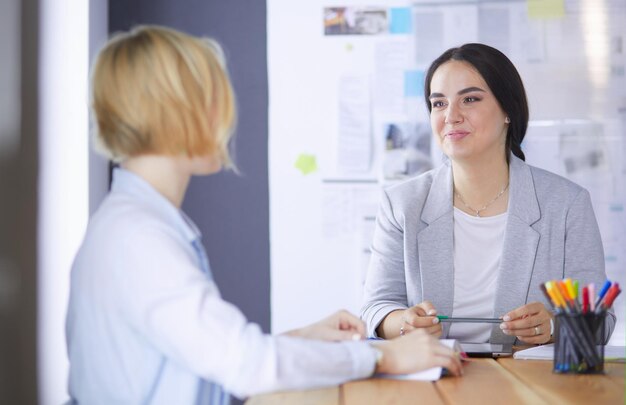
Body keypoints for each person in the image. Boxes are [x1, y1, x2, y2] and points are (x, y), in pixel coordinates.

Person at [65, 26, 463, 405]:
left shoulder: (131, 224)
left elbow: (208, 350)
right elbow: (243, 364)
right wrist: (384, 358)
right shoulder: (140, 239)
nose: (225, 118)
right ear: (178, 111)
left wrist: (307, 339)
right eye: (215, 98)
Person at [360, 43, 615, 345]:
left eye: (469, 99)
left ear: (508, 109)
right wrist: (404, 323)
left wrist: (553, 326)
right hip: (433, 378)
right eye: (439, 103)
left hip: (528, 383)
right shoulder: (402, 204)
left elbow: (600, 322)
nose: (451, 116)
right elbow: (375, 308)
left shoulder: (567, 204)